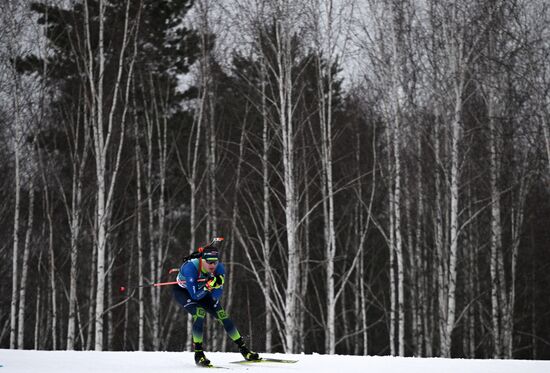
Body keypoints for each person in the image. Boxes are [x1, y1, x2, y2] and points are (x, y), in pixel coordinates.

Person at [172, 247, 260, 367]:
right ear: (202, 260)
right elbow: (195, 296)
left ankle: (244, 350)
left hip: (202, 292)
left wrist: (217, 284)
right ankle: (198, 354)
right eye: (209, 262)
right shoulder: (190, 268)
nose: (213, 265)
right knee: (200, 313)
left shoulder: (219, 268)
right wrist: (209, 285)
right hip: (185, 292)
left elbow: (216, 296)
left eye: (215, 261)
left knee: (223, 316)